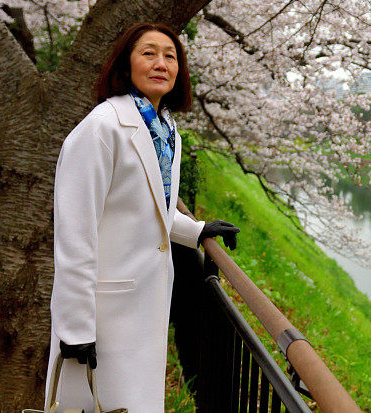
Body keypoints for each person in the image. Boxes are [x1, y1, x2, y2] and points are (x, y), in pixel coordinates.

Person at [44, 21, 239, 412]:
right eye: (148, 53)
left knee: (135, 401)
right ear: (125, 64)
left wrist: (197, 229)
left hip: (146, 302)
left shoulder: (166, 130)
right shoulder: (102, 128)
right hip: (104, 312)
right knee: (101, 403)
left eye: (170, 56)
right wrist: (75, 328)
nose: (161, 63)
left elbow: (152, 207)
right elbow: (75, 233)